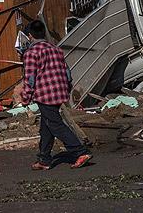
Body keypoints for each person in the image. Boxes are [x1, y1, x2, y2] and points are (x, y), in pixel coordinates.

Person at [21, 20, 91, 170]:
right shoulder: (56, 49)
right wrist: (67, 87)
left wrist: (25, 98)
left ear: (30, 36)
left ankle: (80, 152)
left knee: (55, 125)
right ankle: (44, 159)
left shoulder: (31, 53)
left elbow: (30, 79)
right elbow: (67, 72)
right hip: (60, 91)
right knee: (46, 126)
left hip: (45, 94)